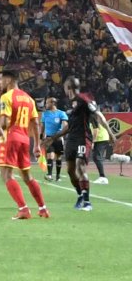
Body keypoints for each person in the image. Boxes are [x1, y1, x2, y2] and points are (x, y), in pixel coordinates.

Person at [0, 68, 49, 219]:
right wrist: (37, 145)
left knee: (6, 174)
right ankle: (43, 208)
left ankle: (23, 209)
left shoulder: (6, 97)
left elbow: (5, 121)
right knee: (27, 176)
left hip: (10, 138)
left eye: (0, 80)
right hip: (25, 140)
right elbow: (36, 123)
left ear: (9, 80)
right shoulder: (29, 99)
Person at [62, 77, 112, 212]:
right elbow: (70, 125)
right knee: (70, 171)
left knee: (80, 167)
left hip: (83, 139)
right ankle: (80, 195)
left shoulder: (84, 99)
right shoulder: (69, 103)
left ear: (68, 87)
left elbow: (98, 115)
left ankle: (87, 203)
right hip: (71, 140)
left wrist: (111, 133)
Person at [40, 97, 66, 182]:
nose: (45, 105)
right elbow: (42, 126)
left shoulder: (61, 113)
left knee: (58, 158)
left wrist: (62, 130)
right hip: (48, 139)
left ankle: (58, 176)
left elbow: (65, 125)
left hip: (58, 138)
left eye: (47, 103)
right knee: (50, 156)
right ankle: (50, 175)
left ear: (53, 103)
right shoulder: (45, 114)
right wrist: (41, 137)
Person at [90, 107, 112, 184]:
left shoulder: (93, 115)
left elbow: (96, 130)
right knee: (96, 157)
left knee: (97, 157)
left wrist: (92, 142)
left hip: (101, 138)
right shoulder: (91, 115)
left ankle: (103, 177)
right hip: (99, 138)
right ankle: (102, 176)